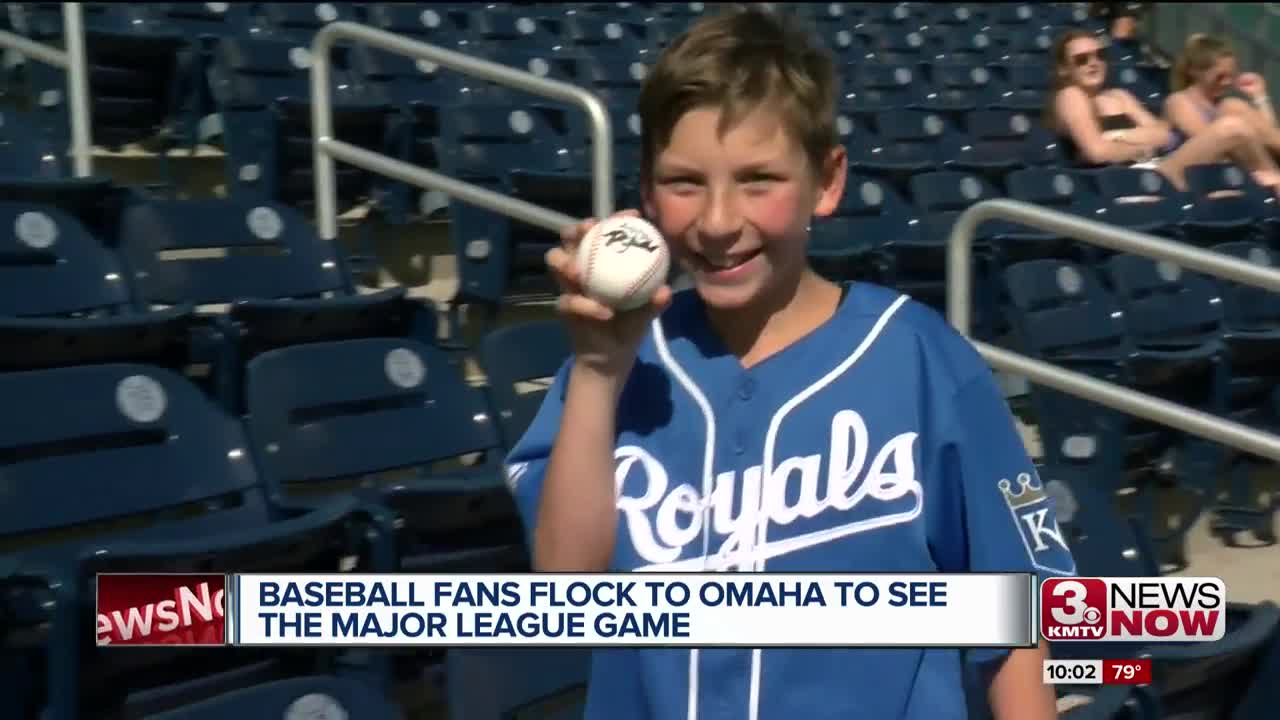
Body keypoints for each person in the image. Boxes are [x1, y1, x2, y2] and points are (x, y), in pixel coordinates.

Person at [508, 7, 1071, 720]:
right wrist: (595, 373)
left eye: (758, 179)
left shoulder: (919, 358)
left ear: (827, 182)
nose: (717, 219)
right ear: (646, 193)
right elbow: (568, 593)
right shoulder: (619, 371)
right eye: (684, 182)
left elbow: (1013, 619)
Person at [1045, 29, 1280, 193]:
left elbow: (1163, 136)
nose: (1093, 63)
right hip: (1129, 181)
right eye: (1081, 59)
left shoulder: (1119, 96)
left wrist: (1117, 137)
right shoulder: (1070, 95)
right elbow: (1097, 152)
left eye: (1099, 55)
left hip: (1157, 167)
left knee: (1236, 116)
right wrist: (1141, 143)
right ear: (1064, 70)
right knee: (1232, 128)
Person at [1165, 33, 1280, 163]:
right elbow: (1209, 144)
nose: (1226, 82)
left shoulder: (1224, 105)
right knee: (1233, 107)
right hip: (1199, 171)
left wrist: (1259, 96)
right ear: (1194, 71)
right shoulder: (1179, 101)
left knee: (1234, 106)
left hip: (1241, 167)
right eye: (1219, 76)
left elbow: (1269, 134)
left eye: (1231, 76)